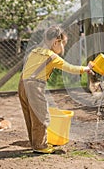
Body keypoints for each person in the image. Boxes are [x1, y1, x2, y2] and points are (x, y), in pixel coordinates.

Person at [18, 25, 93, 154]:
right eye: (63, 43)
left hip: (22, 83)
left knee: (29, 114)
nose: (63, 47)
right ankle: (40, 146)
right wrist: (86, 68)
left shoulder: (34, 51)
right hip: (34, 86)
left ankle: (35, 142)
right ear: (55, 42)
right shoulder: (51, 56)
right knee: (41, 116)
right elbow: (69, 68)